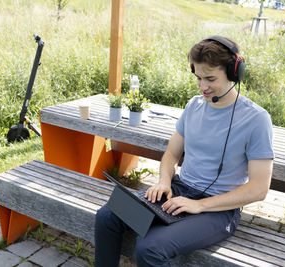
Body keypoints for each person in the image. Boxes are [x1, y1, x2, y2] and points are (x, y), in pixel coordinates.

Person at [94, 35, 274, 267]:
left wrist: (200, 205)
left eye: (210, 78)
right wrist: (164, 182)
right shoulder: (194, 106)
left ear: (233, 73)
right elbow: (171, 154)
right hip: (178, 192)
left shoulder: (256, 119)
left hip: (219, 211)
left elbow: (259, 189)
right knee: (107, 216)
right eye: (198, 77)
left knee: (149, 248)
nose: (203, 87)